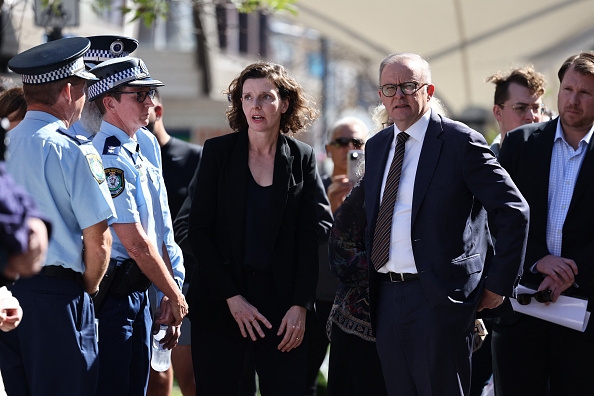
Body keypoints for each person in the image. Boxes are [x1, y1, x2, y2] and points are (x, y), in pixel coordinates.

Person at [364, 52, 529, 396]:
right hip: (386, 296)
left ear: (428, 90)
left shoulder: (459, 141)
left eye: (409, 86)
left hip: (440, 301)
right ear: (381, 95)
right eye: (390, 88)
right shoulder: (377, 146)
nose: (399, 96)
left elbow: (513, 210)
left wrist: (498, 285)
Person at [187, 62, 320, 395]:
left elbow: (314, 234)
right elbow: (197, 229)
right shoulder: (218, 153)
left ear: (284, 103)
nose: (255, 105)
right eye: (247, 97)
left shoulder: (302, 157)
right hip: (222, 301)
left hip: (282, 309)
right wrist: (232, 297)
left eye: (265, 97)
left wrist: (300, 305)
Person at [0, 37, 116, 396]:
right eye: (83, 88)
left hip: (8, 295)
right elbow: (100, 242)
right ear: (68, 90)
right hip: (58, 296)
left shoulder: (6, 144)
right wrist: (88, 287)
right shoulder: (76, 151)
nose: (84, 99)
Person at [493, 51, 594, 396]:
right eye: (568, 89)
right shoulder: (521, 144)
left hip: (583, 315)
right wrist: (538, 259)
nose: (573, 100)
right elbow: (495, 216)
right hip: (520, 311)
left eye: (585, 93)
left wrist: (572, 269)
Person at [88, 56, 189, 395]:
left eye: (150, 93)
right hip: (112, 298)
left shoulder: (139, 147)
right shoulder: (108, 156)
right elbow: (134, 243)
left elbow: (159, 231)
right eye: (139, 95)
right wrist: (175, 295)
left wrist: (166, 291)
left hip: (139, 293)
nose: (150, 102)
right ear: (109, 102)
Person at [302, 116, 367, 396]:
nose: (350, 148)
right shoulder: (313, 187)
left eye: (358, 142)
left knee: (351, 381)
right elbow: (304, 241)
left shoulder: (378, 191)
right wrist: (327, 208)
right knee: (302, 378)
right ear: (328, 149)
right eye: (342, 142)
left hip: (359, 302)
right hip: (317, 299)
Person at [145, 88, 201, 396]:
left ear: (159, 112)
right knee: (152, 373)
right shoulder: (125, 155)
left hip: (184, 279)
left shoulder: (194, 158)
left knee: (190, 378)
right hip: (139, 277)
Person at [326, 178, 388, 396]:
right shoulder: (375, 174)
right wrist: (396, 262)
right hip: (358, 332)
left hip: (427, 327)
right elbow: (341, 255)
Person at [487, 66, 546, 155]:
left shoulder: (555, 160)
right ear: (498, 112)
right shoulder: (482, 165)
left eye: (536, 108)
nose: (531, 116)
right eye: (521, 108)